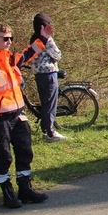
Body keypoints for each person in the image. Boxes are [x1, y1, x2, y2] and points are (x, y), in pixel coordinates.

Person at [0, 23, 49, 208]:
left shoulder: (10, 58)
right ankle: (7, 193)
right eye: (5, 39)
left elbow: (29, 53)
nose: (9, 42)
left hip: (17, 114)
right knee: (4, 156)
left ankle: (25, 189)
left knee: (25, 151)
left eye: (11, 38)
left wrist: (43, 38)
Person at [29, 13, 66, 141]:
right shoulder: (46, 39)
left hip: (38, 75)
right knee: (50, 104)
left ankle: (45, 128)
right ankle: (49, 132)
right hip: (49, 74)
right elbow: (57, 55)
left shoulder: (33, 38)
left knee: (45, 102)